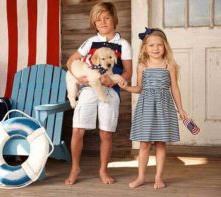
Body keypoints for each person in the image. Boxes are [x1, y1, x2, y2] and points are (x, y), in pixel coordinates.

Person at [65, 2, 132, 185]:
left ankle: (103, 170)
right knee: (78, 129)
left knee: (106, 133)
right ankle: (75, 168)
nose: (102, 22)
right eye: (98, 19)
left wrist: (113, 80)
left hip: (110, 91)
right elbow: (71, 62)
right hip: (88, 89)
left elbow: (128, 72)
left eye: (106, 18)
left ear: (114, 19)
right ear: (94, 23)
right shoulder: (90, 42)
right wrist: (80, 78)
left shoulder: (123, 44)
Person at [119, 27, 187, 189]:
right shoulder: (142, 65)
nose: (155, 48)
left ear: (165, 47)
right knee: (144, 144)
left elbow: (174, 89)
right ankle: (141, 177)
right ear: (145, 48)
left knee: (160, 143)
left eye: (159, 45)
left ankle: (158, 178)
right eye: (151, 45)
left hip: (164, 107)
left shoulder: (169, 65)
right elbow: (139, 88)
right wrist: (127, 87)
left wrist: (181, 110)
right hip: (146, 107)